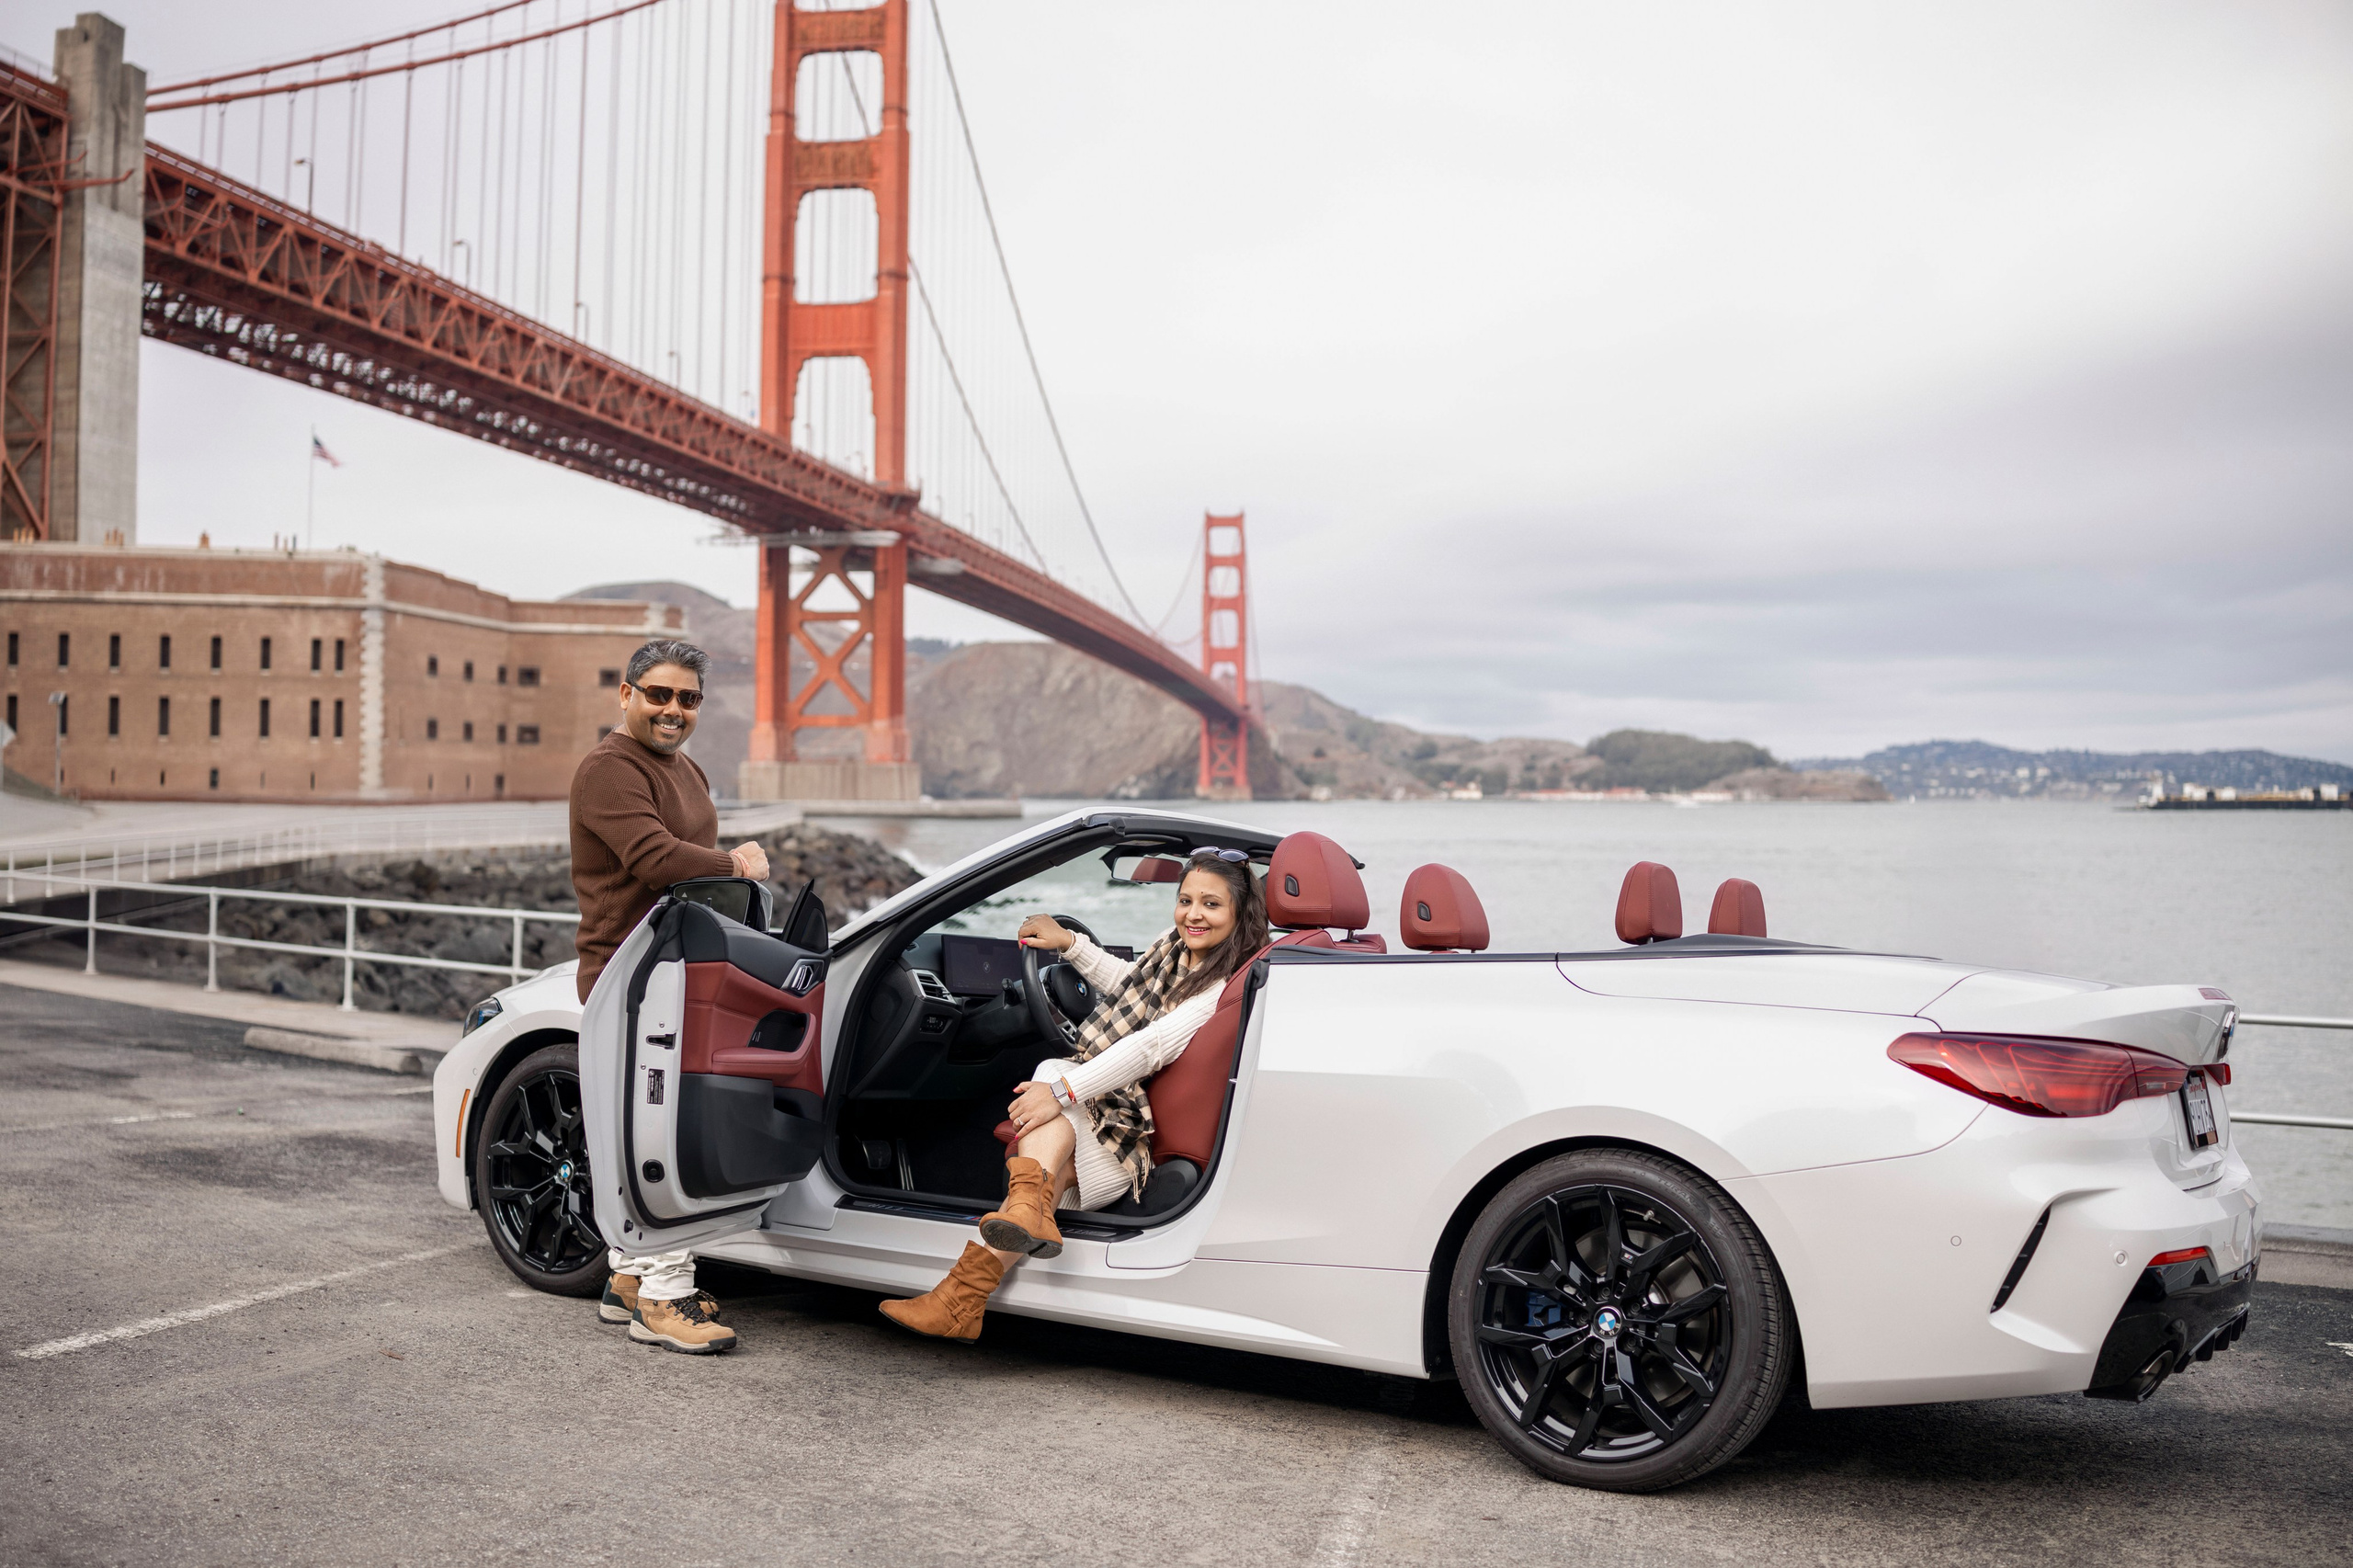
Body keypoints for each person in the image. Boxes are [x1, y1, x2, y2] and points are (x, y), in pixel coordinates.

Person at [879, 849, 1269, 1341]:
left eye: (1211, 905)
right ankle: (968, 1291)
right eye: (1185, 899)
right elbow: (1131, 987)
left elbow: (1150, 1045)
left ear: (1239, 912)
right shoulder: (1178, 952)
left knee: (1050, 1074)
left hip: (1130, 1145)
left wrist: (1061, 1090)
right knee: (1043, 1181)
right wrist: (1069, 945)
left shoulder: (1222, 983)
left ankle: (963, 1295)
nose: (1193, 914)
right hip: (1114, 1118)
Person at [569, 636, 770, 1356]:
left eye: (687, 698)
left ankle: (627, 1280)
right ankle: (663, 1297)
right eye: (657, 694)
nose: (672, 709)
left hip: (675, 970)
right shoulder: (608, 769)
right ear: (626, 695)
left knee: (650, 1125)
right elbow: (654, 859)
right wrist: (736, 862)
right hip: (631, 977)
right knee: (660, 1134)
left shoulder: (686, 768)